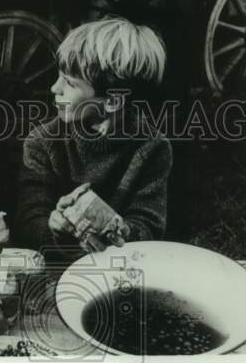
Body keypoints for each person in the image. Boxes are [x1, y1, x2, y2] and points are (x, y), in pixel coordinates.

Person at [15, 17, 172, 251]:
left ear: (112, 101)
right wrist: (53, 225)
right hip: (57, 264)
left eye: (69, 83)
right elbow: (28, 219)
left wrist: (120, 232)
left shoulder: (151, 148)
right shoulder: (43, 142)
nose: (54, 88)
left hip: (121, 267)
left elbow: (149, 224)